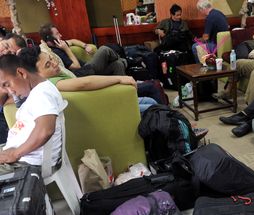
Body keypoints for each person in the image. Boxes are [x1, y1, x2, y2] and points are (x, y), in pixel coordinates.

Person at [18, 47, 157, 113]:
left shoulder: (55, 74)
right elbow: (85, 83)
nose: (54, 64)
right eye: (47, 65)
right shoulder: (53, 83)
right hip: (102, 105)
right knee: (153, 106)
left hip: (103, 97)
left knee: (151, 101)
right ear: (35, 74)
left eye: (51, 59)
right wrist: (120, 78)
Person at [0, 54, 67, 174]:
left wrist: (14, 154)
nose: (10, 92)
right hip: (21, 156)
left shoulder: (41, 94)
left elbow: (45, 130)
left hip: (27, 163)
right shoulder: (38, 91)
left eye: (7, 84)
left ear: (21, 73)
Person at [39, 23, 127, 77]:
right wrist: (67, 49)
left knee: (117, 64)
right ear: (50, 40)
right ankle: (124, 60)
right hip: (84, 73)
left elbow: (73, 41)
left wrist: (85, 46)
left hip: (87, 67)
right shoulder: (56, 52)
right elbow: (77, 67)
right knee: (104, 49)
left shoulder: (59, 44)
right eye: (57, 34)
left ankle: (126, 91)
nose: (61, 35)